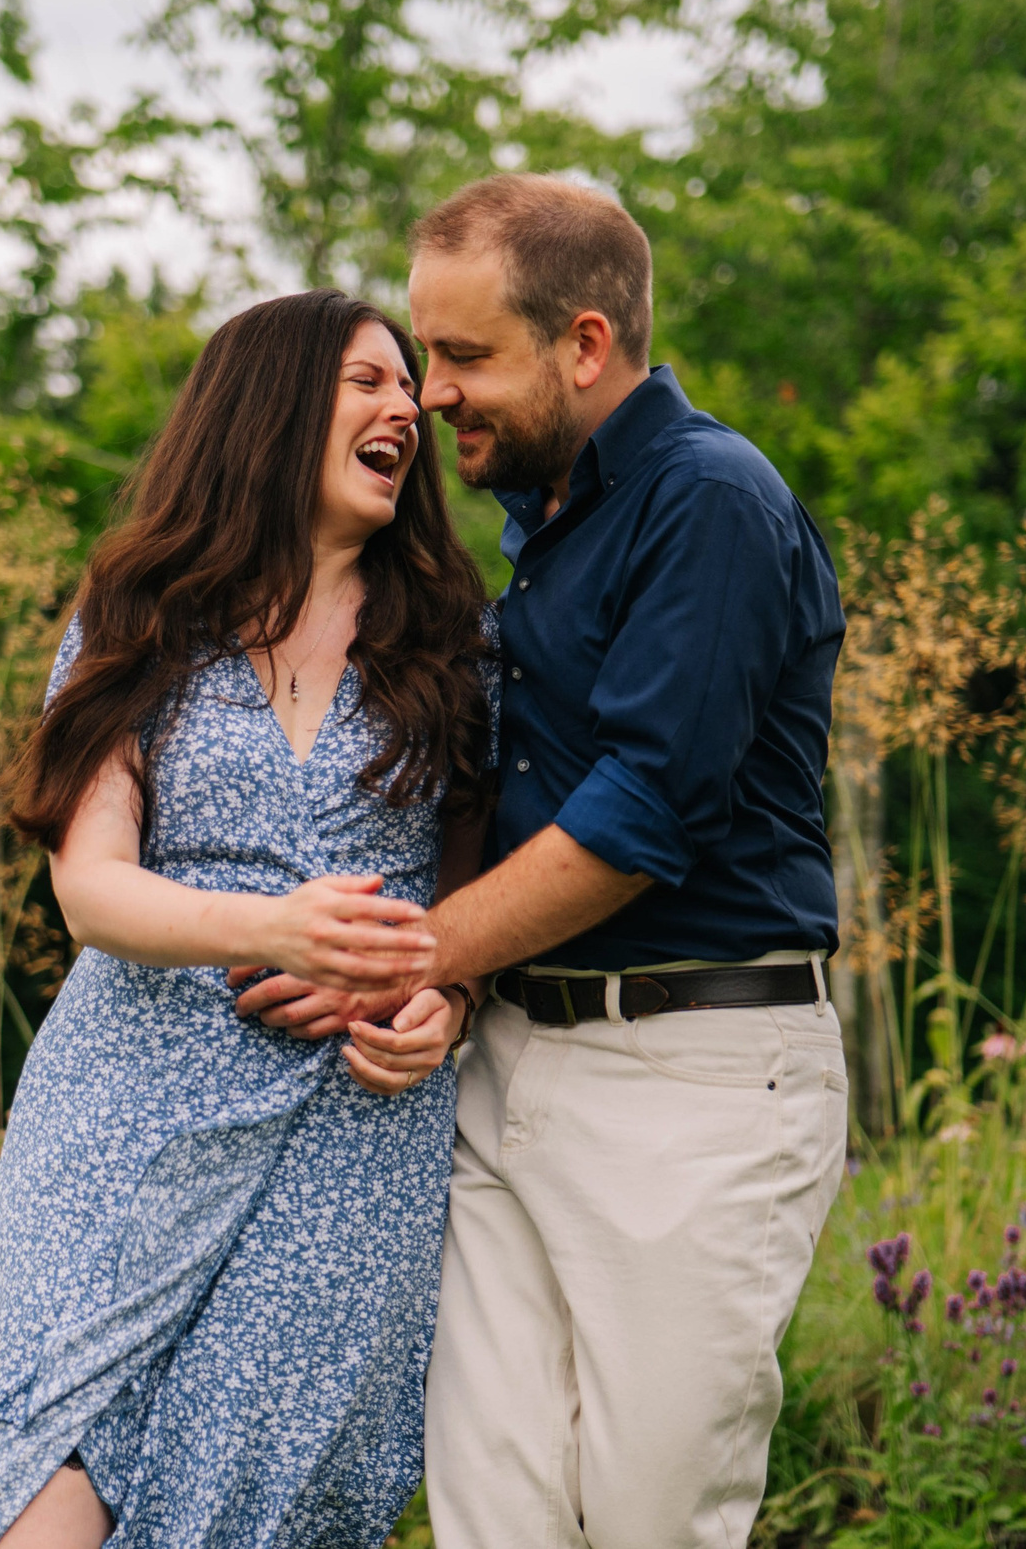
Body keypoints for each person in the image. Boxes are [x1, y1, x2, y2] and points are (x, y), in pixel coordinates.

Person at [235, 175, 850, 1549]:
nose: (431, 393)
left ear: (583, 343)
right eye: (423, 352)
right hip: (509, 1065)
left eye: (463, 356)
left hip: (696, 1074)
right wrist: (451, 988)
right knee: (495, 1515)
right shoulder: (544, 532)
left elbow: (643, 813)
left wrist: (400, 956)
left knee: (647, 1520)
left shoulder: (709, 500)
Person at [0, 289, 498, 1549]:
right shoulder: (138, 618)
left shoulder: (456, 639)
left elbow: (472, 896)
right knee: (37, 1488)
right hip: (128, 1110)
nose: (410, 408)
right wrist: (273, 929)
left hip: (353, 1132)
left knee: (257, 1494)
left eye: (411, 388)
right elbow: (90, 886)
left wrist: (442, 1004)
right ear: (269, 409)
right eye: (367, 382)